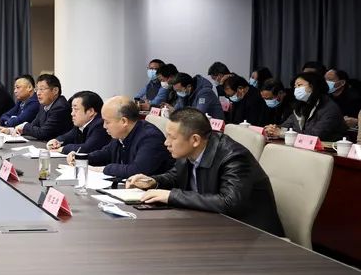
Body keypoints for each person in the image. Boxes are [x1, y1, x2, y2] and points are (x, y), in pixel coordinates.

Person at [127, 108, 284, 236]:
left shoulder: (234, 157)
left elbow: (230, 203)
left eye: (172, 137)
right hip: (213, 225)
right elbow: (176, 176)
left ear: (195, 140)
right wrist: (153, 182)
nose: (166, 143)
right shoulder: (190, 151)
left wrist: (171, 196)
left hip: (252, 234)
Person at [68, 96, 171, 179]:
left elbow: (136, 171)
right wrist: (81, 157)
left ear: (124, 121)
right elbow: (106, 153)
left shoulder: (150, 138)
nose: (104, 126)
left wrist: (104, 169)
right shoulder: (121, 134)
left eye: (107, 122)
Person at [265, 71, 347, 142]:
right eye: (295, 87)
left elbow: (315, 136)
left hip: (329, 150)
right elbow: (286, 126)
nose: (296, 89)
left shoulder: (329, 108)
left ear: (313, 86)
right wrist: (273, 129)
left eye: (299, 85)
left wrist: (282, 133)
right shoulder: (300, 106)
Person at [47, 90, 109, 155]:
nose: (72, 113)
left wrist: (62, 149)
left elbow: (87, 148)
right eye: (72, 109)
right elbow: (67, 137)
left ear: (91, 111)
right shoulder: (80, 125)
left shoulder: (100, 125)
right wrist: (55, 141)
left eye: (76, 109)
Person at [16, 73, 72, 140]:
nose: (38, 93)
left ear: (55, 90)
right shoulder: (44, 105)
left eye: (42, 89)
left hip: (59, 145)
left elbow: (43, 133)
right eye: (37, 89)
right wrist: (17, 129)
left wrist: (25, 126)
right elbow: (34, 125)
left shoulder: (60, 107)